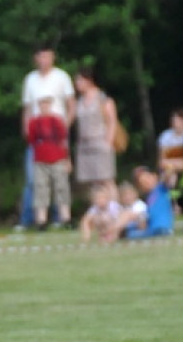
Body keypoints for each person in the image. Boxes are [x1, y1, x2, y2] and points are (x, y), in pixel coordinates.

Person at [17, 44, 75, 230]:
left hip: (57, 135)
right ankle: (32, 219)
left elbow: (71, 104)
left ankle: (62, 217)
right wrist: (27, 130)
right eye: (41, 56)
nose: (44, 60)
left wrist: (65, 127)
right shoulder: (30, 79)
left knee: (60, 179)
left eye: (47, 56)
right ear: (36, 58)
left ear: (53, 57)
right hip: (38, 137)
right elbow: (27, 108)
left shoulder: (61, 77)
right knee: (34, 180)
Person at [27, 96, 72, 230]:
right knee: (41, 188)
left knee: (61, 187)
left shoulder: (57, 121)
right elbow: (31, 140)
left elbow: (63, 140)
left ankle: (66, 217)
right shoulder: (34, 122)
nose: (44, 107)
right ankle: (41, 219)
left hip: (58, 158)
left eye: (46, 104)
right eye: (42, 104)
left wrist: (67, 159)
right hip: (40, 159)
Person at [73, 66, 117, 194]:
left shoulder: (102, 98)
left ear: (89, 80)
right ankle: (97, 204)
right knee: (91, 182)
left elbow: (111, 121)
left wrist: (108, 142)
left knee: (106, 179)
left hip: (100, 141)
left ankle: (113, 204)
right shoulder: (80, 101)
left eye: (80, 80)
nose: (77, 83)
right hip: (84, 145)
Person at [108, 166, 174, 241]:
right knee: (130, 230)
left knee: (129, 220)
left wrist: (168, 169)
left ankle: (111, 232)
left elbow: (168, 179)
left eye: (147, 178)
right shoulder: (149, 199)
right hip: (152, 230)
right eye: (142, 182)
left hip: (161, 229)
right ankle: (113, 232)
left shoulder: (161, 189)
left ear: (154, 176)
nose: (146, 183)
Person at [156, 107, 183, 180]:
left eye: (178, 120)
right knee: (169, 175)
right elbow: (161, 161)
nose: (175, 123)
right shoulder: (165, 136)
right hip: (171, 169)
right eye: (174, 120)